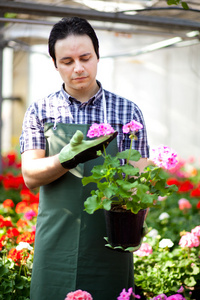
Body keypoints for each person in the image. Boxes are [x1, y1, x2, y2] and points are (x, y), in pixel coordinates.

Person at [20, 17, 149, 300]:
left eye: (85, 57)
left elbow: (141, 178)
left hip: (111, 240)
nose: (78, 68)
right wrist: (65, 159)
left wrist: (137, 221)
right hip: (56, 241)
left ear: (98, 56)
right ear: (55, 63)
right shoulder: (41, 111)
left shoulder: (127, 112)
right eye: (67, 61)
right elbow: (30, 175)